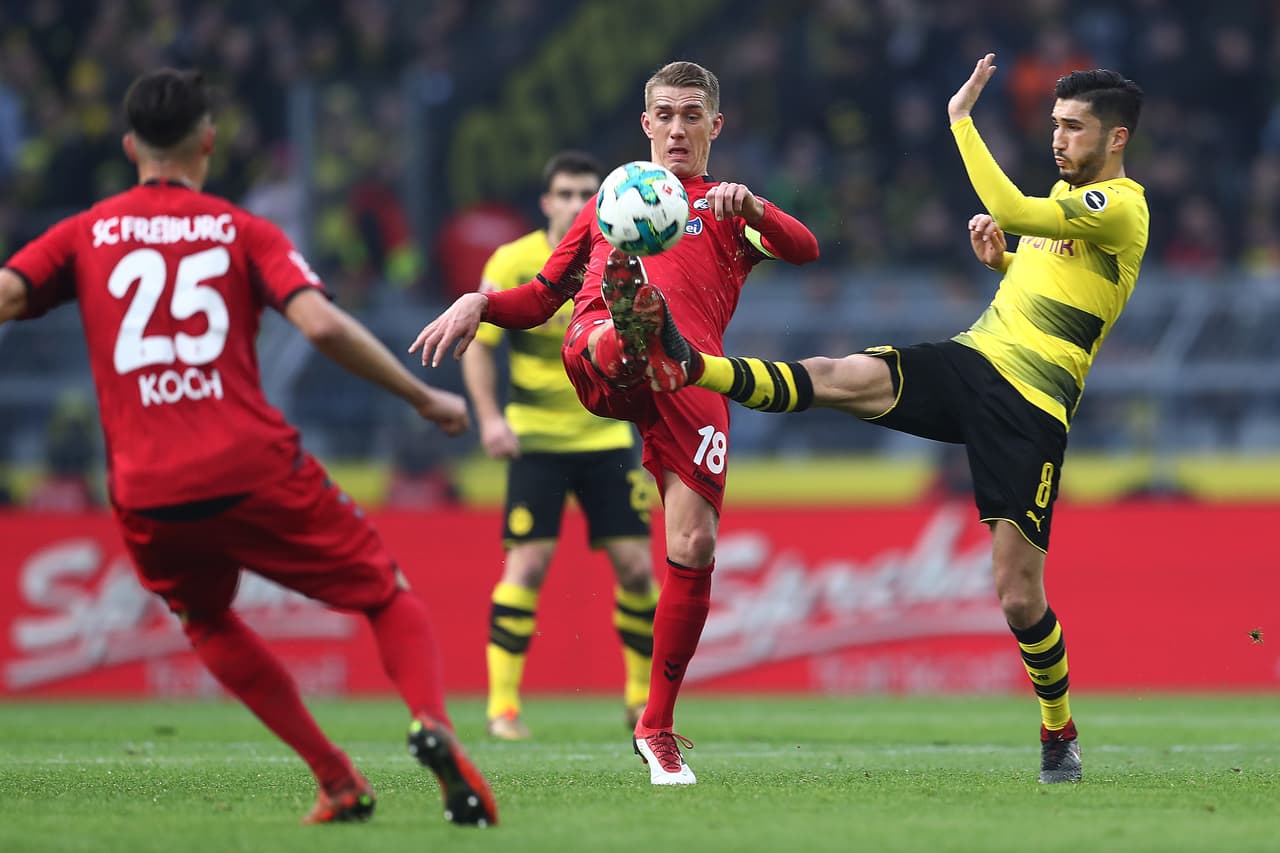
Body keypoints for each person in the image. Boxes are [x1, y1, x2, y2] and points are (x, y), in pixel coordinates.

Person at [0, 68, 498, 826]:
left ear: (131, 144)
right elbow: (324, 326)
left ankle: (335, 777)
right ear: (208, 139)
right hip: (249, 461)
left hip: (145, 486)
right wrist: (422, 395)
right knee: (385, 593)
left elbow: (7, 293)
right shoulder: (243, 230)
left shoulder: (86, 231)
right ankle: (432, 723)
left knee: (206, 619)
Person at [662, 54, 1147, 784]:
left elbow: (1015, 208)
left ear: (1115, 140)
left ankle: (1058, 728)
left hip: (1031, 407)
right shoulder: (1071, 197)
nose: (1058, 139)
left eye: (1073, 128)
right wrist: (1005, 264)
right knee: (840, 376)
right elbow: (1056, 274)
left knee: (1018, 596)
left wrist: (960, 123)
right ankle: (695, 364)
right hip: (974, 359)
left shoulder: (1125, 206)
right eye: (1054, 125)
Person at [412, 61, 819, 784]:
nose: (676, 127)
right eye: (664, 113)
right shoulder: (611, 199)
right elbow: (539, 299)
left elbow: (805, 249)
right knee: (607, 333)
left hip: (692, 374)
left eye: (692, 115)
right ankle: (631, 326)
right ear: (644, 123)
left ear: (715, 126)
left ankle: (655, 725)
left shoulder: (728, 211)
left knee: (693, 544)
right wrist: (480, 303)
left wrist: (754, 207)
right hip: (599, 350)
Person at [461, 151, 658, 740]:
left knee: (635, 568)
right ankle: (503, 708)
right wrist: (490, 418)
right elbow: (479, 342)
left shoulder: (624, 253)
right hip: (536, 437)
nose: (576, 204)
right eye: (565, 194)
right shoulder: (514, 259)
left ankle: (639, 701)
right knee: (528, 563)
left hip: (604, 433)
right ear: (547, 202)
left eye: (586, 195)